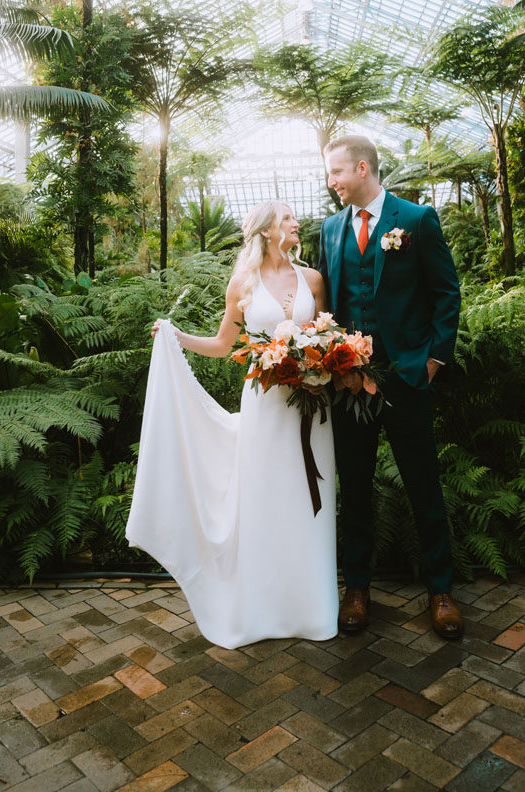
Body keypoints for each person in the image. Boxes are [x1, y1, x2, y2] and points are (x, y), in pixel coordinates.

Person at [125, 201, 339, 649]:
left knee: (307, 500)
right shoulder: (242, 283)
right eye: (286, 219)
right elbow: (225, 344)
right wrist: (176, 336)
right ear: (265, 231)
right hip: (264, 408)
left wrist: (322, 360)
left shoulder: (313, 279)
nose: (296, 223)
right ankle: (260, 610)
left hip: (309, 407)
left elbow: (328, 335)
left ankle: (312, 611)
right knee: (264, 502)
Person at [320, 135, 463, 640]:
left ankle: (441, 591)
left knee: (423, 485)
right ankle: (357, 589)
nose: (331, 182)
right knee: (354, 488)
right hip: (348, 383)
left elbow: (446, 293)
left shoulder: (417, 220)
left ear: (363, 168)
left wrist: (433, 360)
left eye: (336, 172)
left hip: (406, 379)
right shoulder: (330, 229)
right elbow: (331, 305)